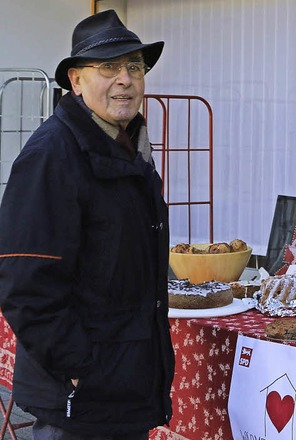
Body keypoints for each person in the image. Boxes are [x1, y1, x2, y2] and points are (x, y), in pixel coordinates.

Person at [0, 10, 175, 438]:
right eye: (109, 67)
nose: (126, 79)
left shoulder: (129, 148)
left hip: (122, 389)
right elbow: (25, 282)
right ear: (76, 82)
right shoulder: (52, 156)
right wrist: (75, 366)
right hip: (79, 398)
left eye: (135, 66)